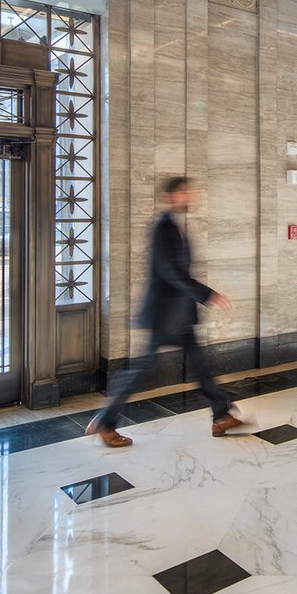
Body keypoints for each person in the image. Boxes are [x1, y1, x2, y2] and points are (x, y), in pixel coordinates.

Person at [87, 176, 235, 448]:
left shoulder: (176, 226)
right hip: (165, 314)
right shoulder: (162, 227)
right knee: (142, 369)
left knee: (199, 365)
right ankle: (106, 422)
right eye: (185, 193)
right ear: (171, 197)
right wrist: (207, 294)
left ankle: (221, 415)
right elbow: (171, 273)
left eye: (191, 192)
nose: (191, 196)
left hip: (179, 313)